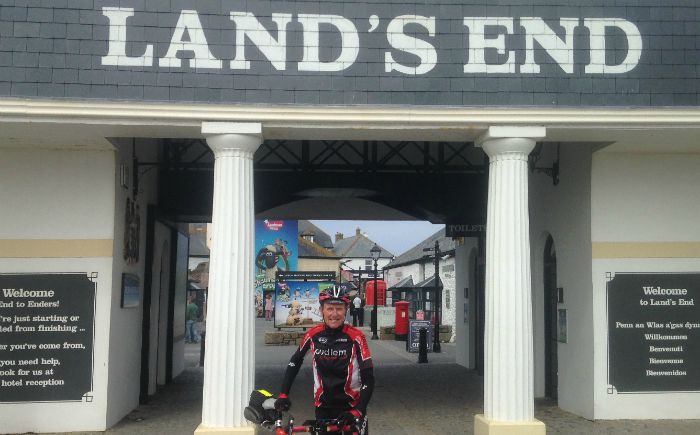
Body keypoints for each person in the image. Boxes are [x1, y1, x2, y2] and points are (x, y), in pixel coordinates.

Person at [275, 285, 374, 434]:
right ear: (321, 310)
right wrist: (283, 394)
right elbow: (294, 362)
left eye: (339, 308)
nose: (334, 314)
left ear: (346, 310)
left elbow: (369, 379)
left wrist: (358, 410)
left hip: (352, 409)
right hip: (323, 408)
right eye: (330, 308)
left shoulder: (357, 337)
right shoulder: (313, 335)